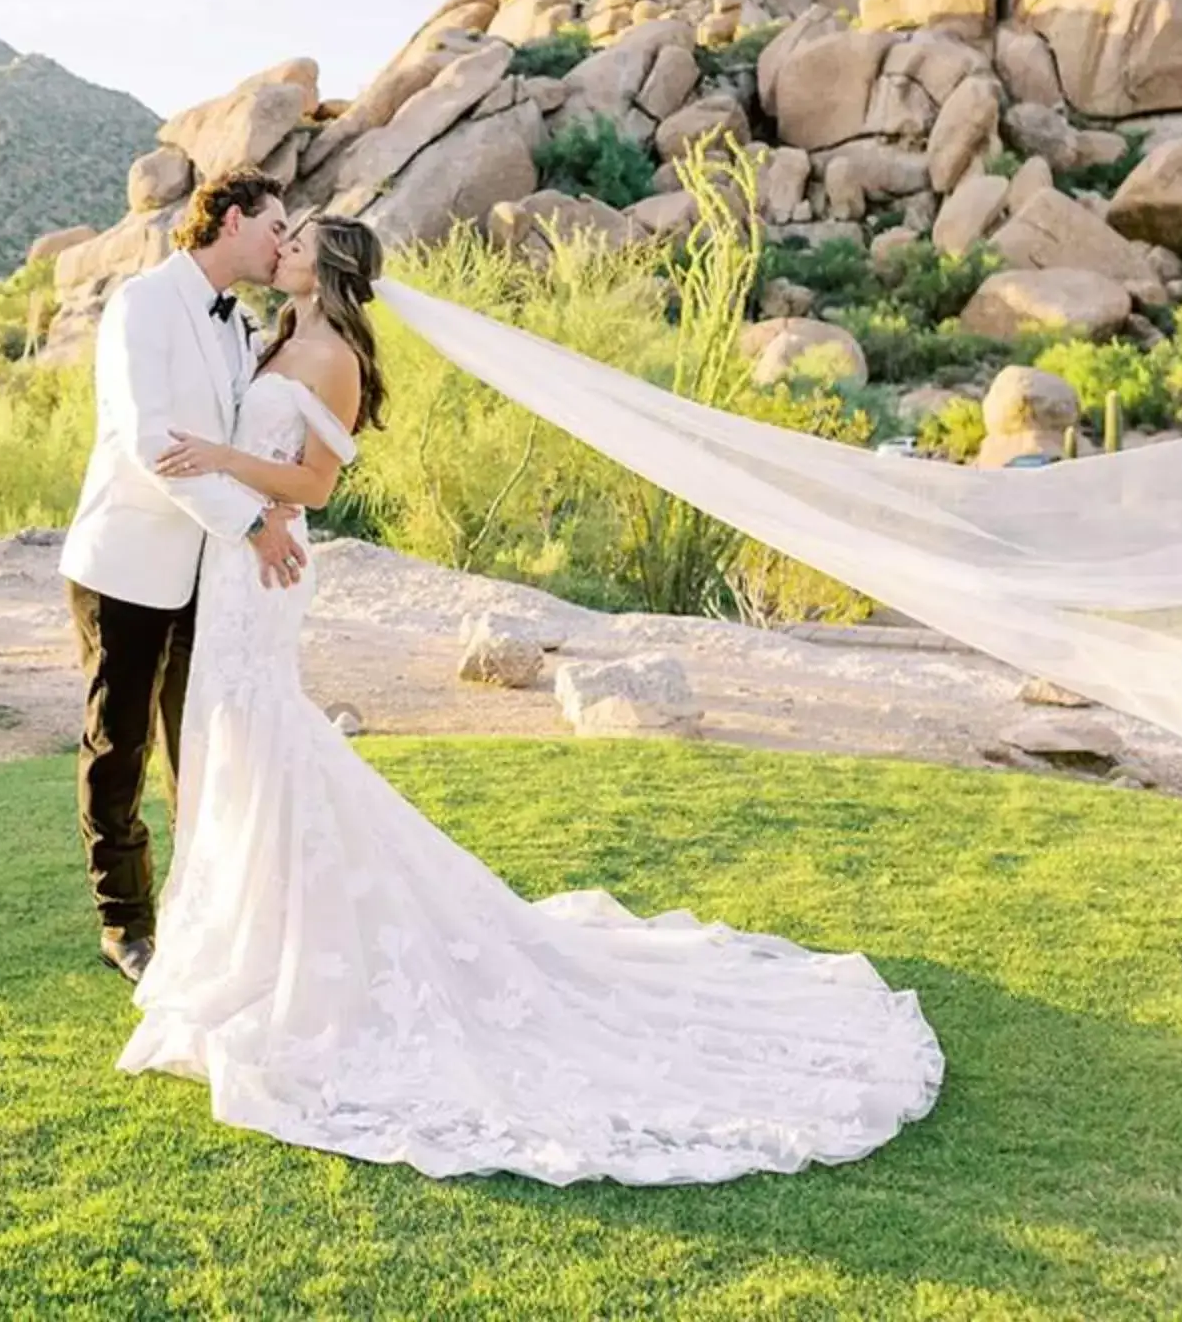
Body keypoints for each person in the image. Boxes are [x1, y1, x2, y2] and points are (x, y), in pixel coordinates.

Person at [111, 212, 946, 1187]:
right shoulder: (279, 334)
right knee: (240, 741)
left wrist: (220, 461)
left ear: (328, 264)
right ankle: (245, 935)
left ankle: (284, 948)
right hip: (232, 571)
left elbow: (319, 483)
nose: (281, 244)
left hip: (267, 574)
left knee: (268, 736)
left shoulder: (333, 353)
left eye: (297, 239)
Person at [58, 169, 306, 986]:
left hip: (209, 571)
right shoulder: (144, 303)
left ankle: (202, 911)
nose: (282, 243)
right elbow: (150, 442)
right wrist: (250, 523)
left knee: (196, 745)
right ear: (232, 220)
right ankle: (123, 922)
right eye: (275, 226)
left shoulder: (242, 327)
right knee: (119, 745)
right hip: (127, 563)